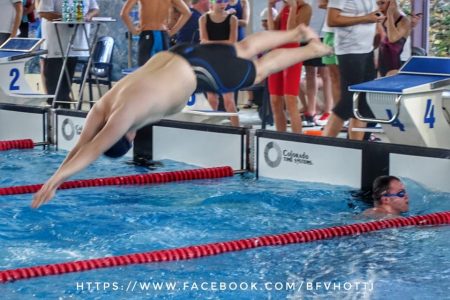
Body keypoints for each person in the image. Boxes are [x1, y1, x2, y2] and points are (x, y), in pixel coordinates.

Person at [31, 25, 332, 208]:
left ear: (128, 137)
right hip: (180, 52)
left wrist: (57, 181)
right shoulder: (105, 104)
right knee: (245, 47)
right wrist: (54, 174)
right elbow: (83, 143)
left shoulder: (125, 118)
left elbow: (92, 150)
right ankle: (297, 33)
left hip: (201, 73)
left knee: (261, 69)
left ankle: (310, 49)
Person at [322, 0, 383, 140]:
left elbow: (374, 15)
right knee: (347, 102)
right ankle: (324, 143)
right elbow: (332, 19)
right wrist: (366, 18)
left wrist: (378, 30)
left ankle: (356, 147)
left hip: (367, 49)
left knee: (363, 104)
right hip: (350, 51)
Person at [38, 0, 100, 108]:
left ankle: (65, 110)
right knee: (55, 85)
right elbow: (43, 12)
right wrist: (64, 17)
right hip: (55, 45)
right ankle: (54, 111)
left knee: (66, 84)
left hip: (74, 44)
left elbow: (95, 9)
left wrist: (88, 16)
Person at [267, 0, 311, 134]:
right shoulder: (284, 7)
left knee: (290, 99)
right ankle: (281, 136)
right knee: (275, 100)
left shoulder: (305, 8)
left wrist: (293, 7)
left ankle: (297, 139)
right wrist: (269, 7)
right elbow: (272, 31)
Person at [199, 0, 239, 126]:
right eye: (219, 1)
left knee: (229, 101)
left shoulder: (232, 19)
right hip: (210, 62)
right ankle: (213, 132)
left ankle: (239, 133)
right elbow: (203, 40)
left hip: (226, 62)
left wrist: (211, 43)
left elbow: (232, 42)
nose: (223, 4)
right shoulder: (203, 19)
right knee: (212, 100)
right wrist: (222, 43)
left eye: (225, 1)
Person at [120, 0, 191, 67]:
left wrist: (134, 31)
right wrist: (173, 31)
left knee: (145, 71)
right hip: (163, 35)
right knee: (161, 71)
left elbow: (124, 14)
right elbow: (187, 13)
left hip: (148, 34)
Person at [376, 0, 410, 77]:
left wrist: (390, 14)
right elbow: (379, 44)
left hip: (394, 68)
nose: (380, 7)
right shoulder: (382, 19)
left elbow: (392, 39)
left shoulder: (404, 21)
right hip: (381, 67)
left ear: (392, 3)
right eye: (378, 4)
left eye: (382, 3)